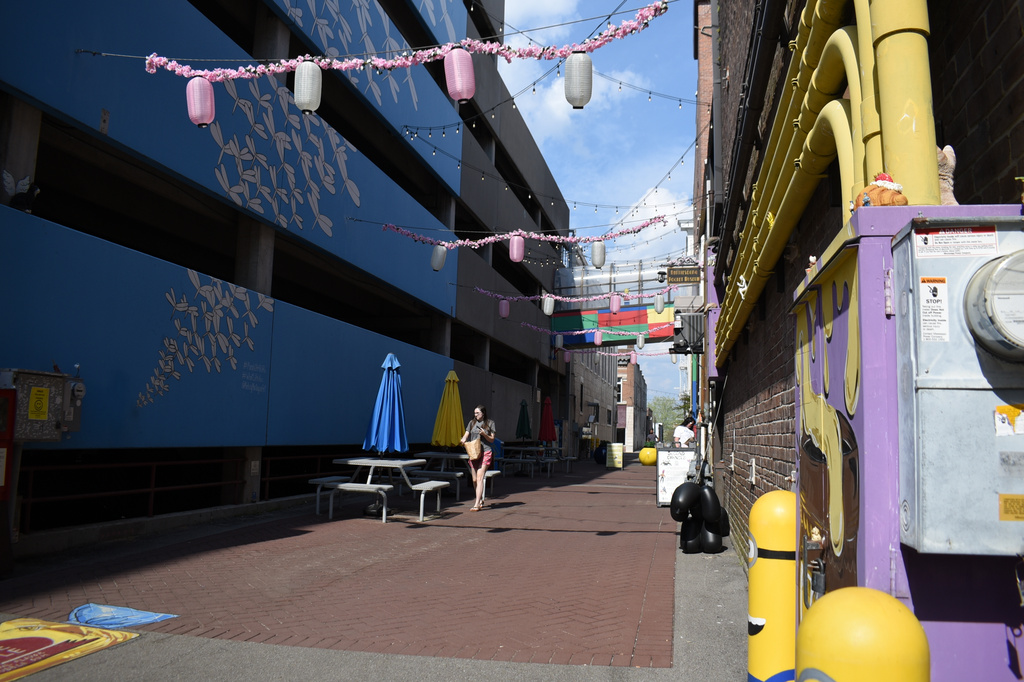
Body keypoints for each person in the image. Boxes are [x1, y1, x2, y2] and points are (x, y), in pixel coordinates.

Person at [460, 404, 496, 511]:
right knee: (474, 479)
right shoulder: (472, 423)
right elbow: (466, 434)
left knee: (480, 477)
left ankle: (477, 503)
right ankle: (480, 499)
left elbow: (492, 440)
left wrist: (484, 434)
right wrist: (463, 439)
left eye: (477, 413)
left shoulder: (490, 423)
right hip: (474, 453)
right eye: (474, 413)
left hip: (485, 452)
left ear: (483, 413)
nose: (475, 415)